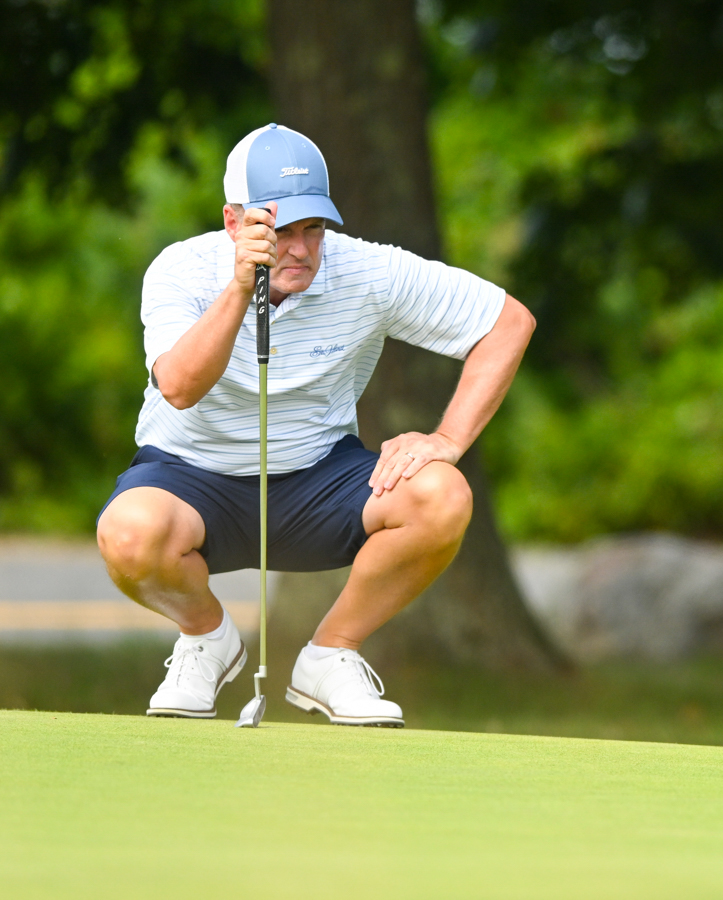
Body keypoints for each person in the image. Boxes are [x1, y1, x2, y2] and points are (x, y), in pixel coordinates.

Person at [95, 124, 535, 727]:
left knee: (442, 494)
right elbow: (179, 385)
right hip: (190, 478)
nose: (301, 248)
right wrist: (239, 288)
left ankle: (331, 655)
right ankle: (206, 640)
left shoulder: (368, 271)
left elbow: (507, 324)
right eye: (281, 230)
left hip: (316, 479)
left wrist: (447, 440)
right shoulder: (180, 271)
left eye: (314, 229)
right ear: (234, 222)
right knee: (127, 535)